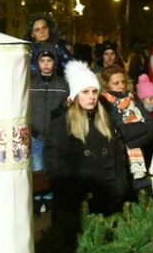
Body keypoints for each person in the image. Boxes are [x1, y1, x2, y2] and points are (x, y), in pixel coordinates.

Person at [44, 61, 132, 221]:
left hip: (110, 200)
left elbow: (120, 158)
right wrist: (72, 197)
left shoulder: (106, 121)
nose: (91, 96)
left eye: (94, 91)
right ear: (76, 95)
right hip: (77, 204)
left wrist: (120, 188)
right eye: (85, 92)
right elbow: (55, 167)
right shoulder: (60, 125)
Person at [99, 65, 153, 193]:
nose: (121, 86)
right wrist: (142, 127)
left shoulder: (133, 98)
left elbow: (152, 127)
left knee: (143, 191)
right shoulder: (103, 103)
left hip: (143, 155)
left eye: (123, 81)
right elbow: (119, 132)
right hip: (119, 161)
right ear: (107, 85)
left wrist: (129, 144)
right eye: (116, 83)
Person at [29, 43, 69, 174]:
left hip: (55, 137)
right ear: (37, 62)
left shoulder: (63, 84)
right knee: (38, 170)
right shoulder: (30, 83)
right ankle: (39, 195)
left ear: (55, 62)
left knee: (53, 170)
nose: (46, 64)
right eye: (42, 60)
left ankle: (50, 195)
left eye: (49, 60)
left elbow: (67, 108)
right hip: (35, 136)